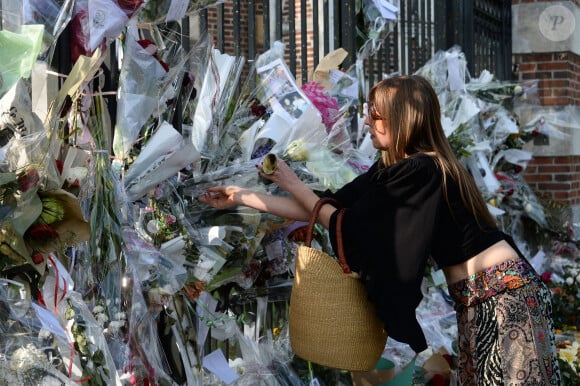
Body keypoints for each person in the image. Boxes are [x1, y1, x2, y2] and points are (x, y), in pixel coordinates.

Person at [198, 75, 561, 385]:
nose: (369, 122)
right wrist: (241, 196)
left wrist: (293, 183)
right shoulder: (394, 171)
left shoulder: (423, 170)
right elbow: (324, 208)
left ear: (402, 118)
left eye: (375, 114)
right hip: (482, 298)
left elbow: (352, 228)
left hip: (502, 296)